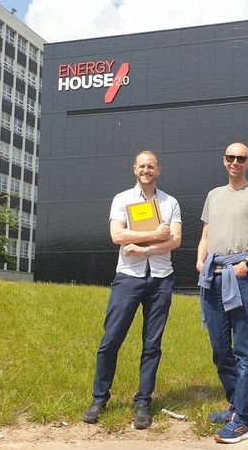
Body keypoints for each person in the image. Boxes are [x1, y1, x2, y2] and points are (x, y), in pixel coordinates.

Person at [83, 150, 182, 429]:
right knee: (111, 340)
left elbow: (174, 241)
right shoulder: (122, 199)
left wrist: (145, 247)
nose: (146, 170)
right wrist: (154, 235)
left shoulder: (170, 202)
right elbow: (118, 235)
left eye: (151, 166)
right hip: (128, 277)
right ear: (134, 169)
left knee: (152, 345)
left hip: (161, 278)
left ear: (158, 170)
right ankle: (99, 399)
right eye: (142, 166)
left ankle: (143, 402)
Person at [196, 142, 248, 444]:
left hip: (240, 278)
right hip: (212, 278)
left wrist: (247, 263)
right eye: (230, 157)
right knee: (220, 350)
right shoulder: (213, 196)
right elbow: (206, 233)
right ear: (223, 161)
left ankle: (242, 420)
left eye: (240, 158)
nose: (235, 162)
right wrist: (200, 259)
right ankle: (236, 405)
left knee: (244, 350)